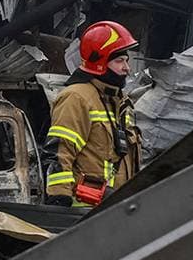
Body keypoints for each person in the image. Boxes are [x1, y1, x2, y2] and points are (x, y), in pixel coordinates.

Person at [44, 20, 143, 207]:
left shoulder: (119, 101)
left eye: (127, 61)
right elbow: (59, 152)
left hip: (117, 207)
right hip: (85, 210)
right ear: (100, 62)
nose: (127, 68)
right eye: (119, 61)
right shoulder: (77, 98)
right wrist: (60, 198)